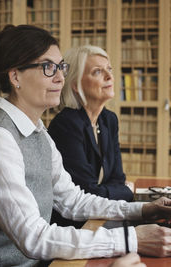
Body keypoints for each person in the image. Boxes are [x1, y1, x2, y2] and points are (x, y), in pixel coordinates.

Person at [0, 24, 171, 267]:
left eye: (61, 67)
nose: (60, 77)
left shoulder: (39, 132)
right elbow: (33, 238)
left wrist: (143, 210)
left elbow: (73, 200)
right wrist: (130, 239)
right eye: (48, 68)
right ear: (15, 77)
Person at [48, 45, 133, 228]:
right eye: (97, 72)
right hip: (73, 226)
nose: (109, 76)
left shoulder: (109, 120)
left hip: (102, 214)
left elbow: (118, 177)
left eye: (109, 69)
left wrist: (120, 189)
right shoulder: (66, 125)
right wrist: (124, 191)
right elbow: (86, 192)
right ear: (75, 85)